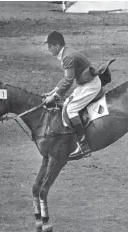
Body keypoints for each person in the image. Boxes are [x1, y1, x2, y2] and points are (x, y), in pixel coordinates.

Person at [43, 31, 101, 160]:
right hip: (85, 84)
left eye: (50, 46)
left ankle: (83, 145)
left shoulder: (67, 56)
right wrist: (54, 91)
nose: (48, 49)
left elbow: (68, 80)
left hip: (90, 85)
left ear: (57, 46)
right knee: (67, 105)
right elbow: (66, 78)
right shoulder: (66, 53)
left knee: (71, 109)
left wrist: (54, 97)